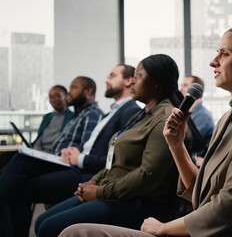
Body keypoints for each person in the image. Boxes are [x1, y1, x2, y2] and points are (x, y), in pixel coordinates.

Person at [59, 25, 232, 237]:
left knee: (74, 233)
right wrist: (176, 145)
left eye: (225, 54)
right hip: (203, 228)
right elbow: (203, 196)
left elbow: (229, 204)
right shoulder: (229, 118)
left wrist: (165, 228)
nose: (213, 62)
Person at [34, 54, 195, 237]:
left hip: (135, 203)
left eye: (139, 76)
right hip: (112, 192)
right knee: (41, 222)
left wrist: (99, 192)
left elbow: (147, 176)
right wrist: (93, 181)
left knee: (49, 228)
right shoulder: (141, 115)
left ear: (156, 83)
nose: (132, 81)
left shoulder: (165, 118)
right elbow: (115, 161)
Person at [0, 76, 104, 237]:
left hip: (68, 164)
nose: (69, 92)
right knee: (14, 169)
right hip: (55, 159)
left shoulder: (92, 114)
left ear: (88, 91)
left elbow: (86, 147)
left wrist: (68, 153)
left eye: (74, 88)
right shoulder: (78, 115)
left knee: (21, 161)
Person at [179, 74, 215, 167]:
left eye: (186, 85)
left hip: (198, 165)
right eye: (181, 85)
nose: (181, 88)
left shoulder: (203, 116)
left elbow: (187, 143)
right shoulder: (189, 112)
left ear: (197, 92)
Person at [32, 85, 74, 152]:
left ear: (66, 96)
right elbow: (39, 139)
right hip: (40, 153)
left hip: (56, 154)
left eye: (58, 96)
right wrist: (37, 151)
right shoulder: (47, 117)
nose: (54, 100)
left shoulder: (73, 117)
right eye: (51, 97)